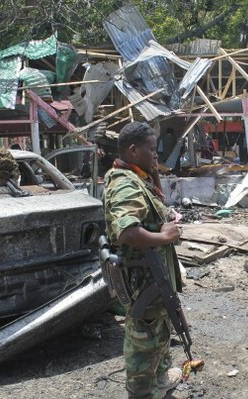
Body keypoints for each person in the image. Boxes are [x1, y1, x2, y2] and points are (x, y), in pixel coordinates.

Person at [103, 121, 183, 398]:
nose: (157, 155)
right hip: (143, 280)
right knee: (144, 341)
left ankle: (160, 380)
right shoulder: (125, 184)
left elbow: (148, 213)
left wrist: (166, 217)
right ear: (134, 150)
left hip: (153, 276)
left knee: (160, 331)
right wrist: (163, 237)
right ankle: (141, 393)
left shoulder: (137, 177)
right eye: (152, 150)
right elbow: (126, 231)